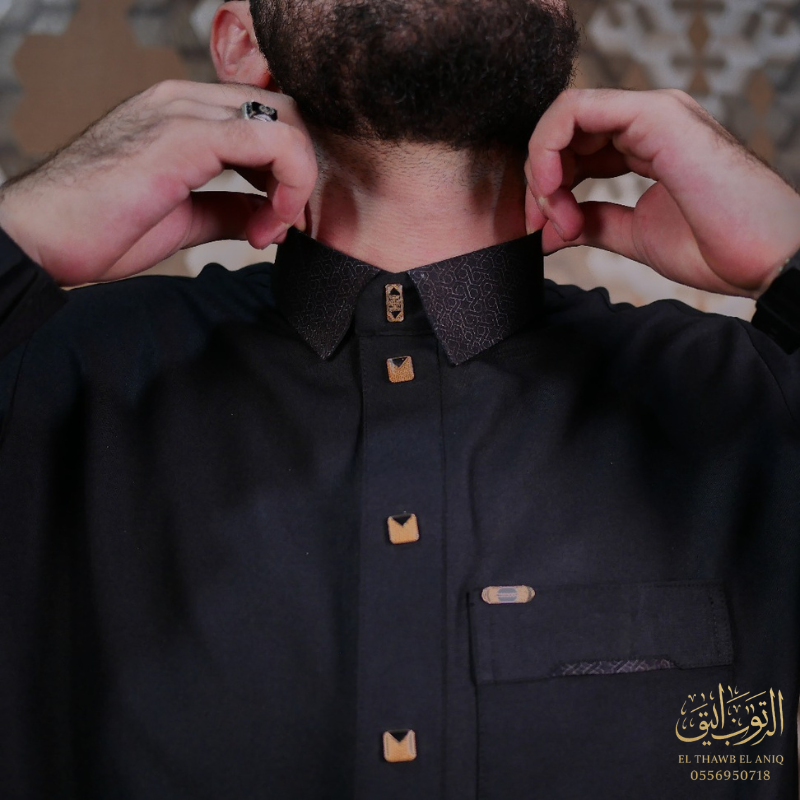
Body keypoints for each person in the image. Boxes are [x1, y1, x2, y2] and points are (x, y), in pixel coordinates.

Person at [0, 0, 799, 797]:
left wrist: (792, 254)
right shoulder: (43, 378)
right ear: (245, 44)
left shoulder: (755, 400)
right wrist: (18, 235)